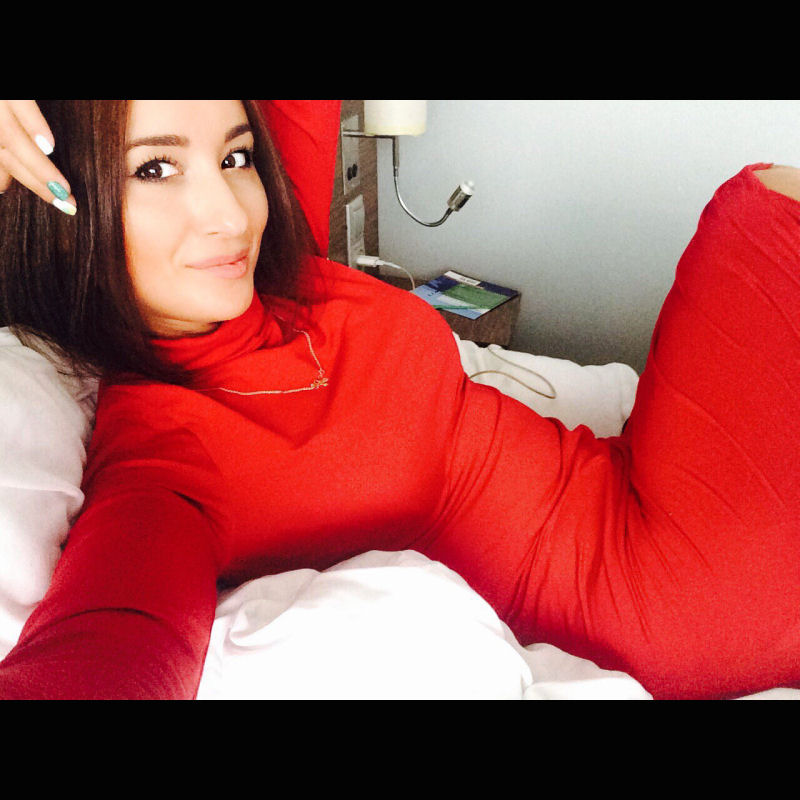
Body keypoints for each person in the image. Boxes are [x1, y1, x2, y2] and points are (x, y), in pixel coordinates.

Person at [1, 99, 800, 701]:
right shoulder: (165, 456)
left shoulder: (278, 273)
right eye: (155, 169)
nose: (230, 213)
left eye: (236, 157)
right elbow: (109, 645)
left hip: (634, 474)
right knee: (766, 206)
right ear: (60, 208)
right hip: (672, 587)